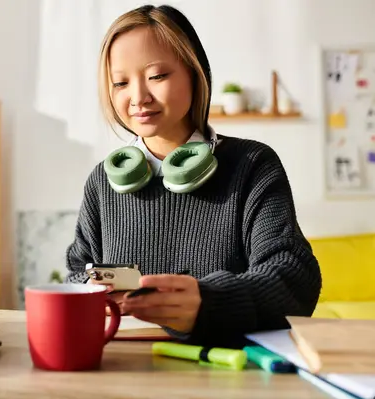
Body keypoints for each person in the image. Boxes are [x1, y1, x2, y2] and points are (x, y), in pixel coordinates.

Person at [64, 4, 322, 347]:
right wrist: (92, 289)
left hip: (226, 371)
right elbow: (76, 273)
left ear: (194, 72)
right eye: (121, 83)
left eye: (157, 76)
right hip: (123, 367)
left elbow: (293, 277)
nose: (138, 97)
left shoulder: (253, 164)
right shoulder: (102, 181)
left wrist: (209, 302)